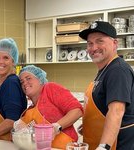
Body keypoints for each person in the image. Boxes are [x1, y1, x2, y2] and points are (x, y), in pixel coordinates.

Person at [78, 21, 134, 150]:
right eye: (90, 43)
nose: (93, 48)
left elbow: (116, 111)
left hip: (117, 144)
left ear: (115, 43)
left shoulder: (117, 70)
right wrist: (89, 124)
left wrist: (104, 147)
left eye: (100, 41)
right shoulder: (105, 69)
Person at [13, 65, 83, 149]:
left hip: (66, 147)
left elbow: (77, 111)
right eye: (21, 82)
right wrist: (19, 128)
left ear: (40, 79)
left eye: (28, 78)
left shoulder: (50, 89)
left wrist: (57, 127)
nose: (25, 83)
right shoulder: (29, 111)